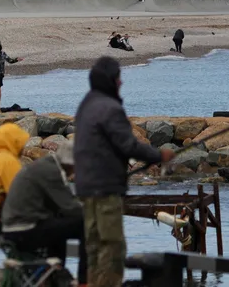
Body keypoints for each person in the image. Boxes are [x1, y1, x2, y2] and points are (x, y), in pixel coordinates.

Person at [75, 56, 173, 287]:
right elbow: (128, 145)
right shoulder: (110, 108)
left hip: (86, 187)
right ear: (110, 80)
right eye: (118, 78)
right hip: (105, 188)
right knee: (112, 247)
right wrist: (159, 156)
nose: (121, 83)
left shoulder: (87, 104)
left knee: (94, 246)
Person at [2, 141, 87, 280]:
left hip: (15, 229)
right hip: (22, 231)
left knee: (60, 227)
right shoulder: (52, 171)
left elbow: (62, 206)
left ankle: (56, 275)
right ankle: (84, 280)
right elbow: (72, 208)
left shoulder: (46, 165)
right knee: (85, 223)